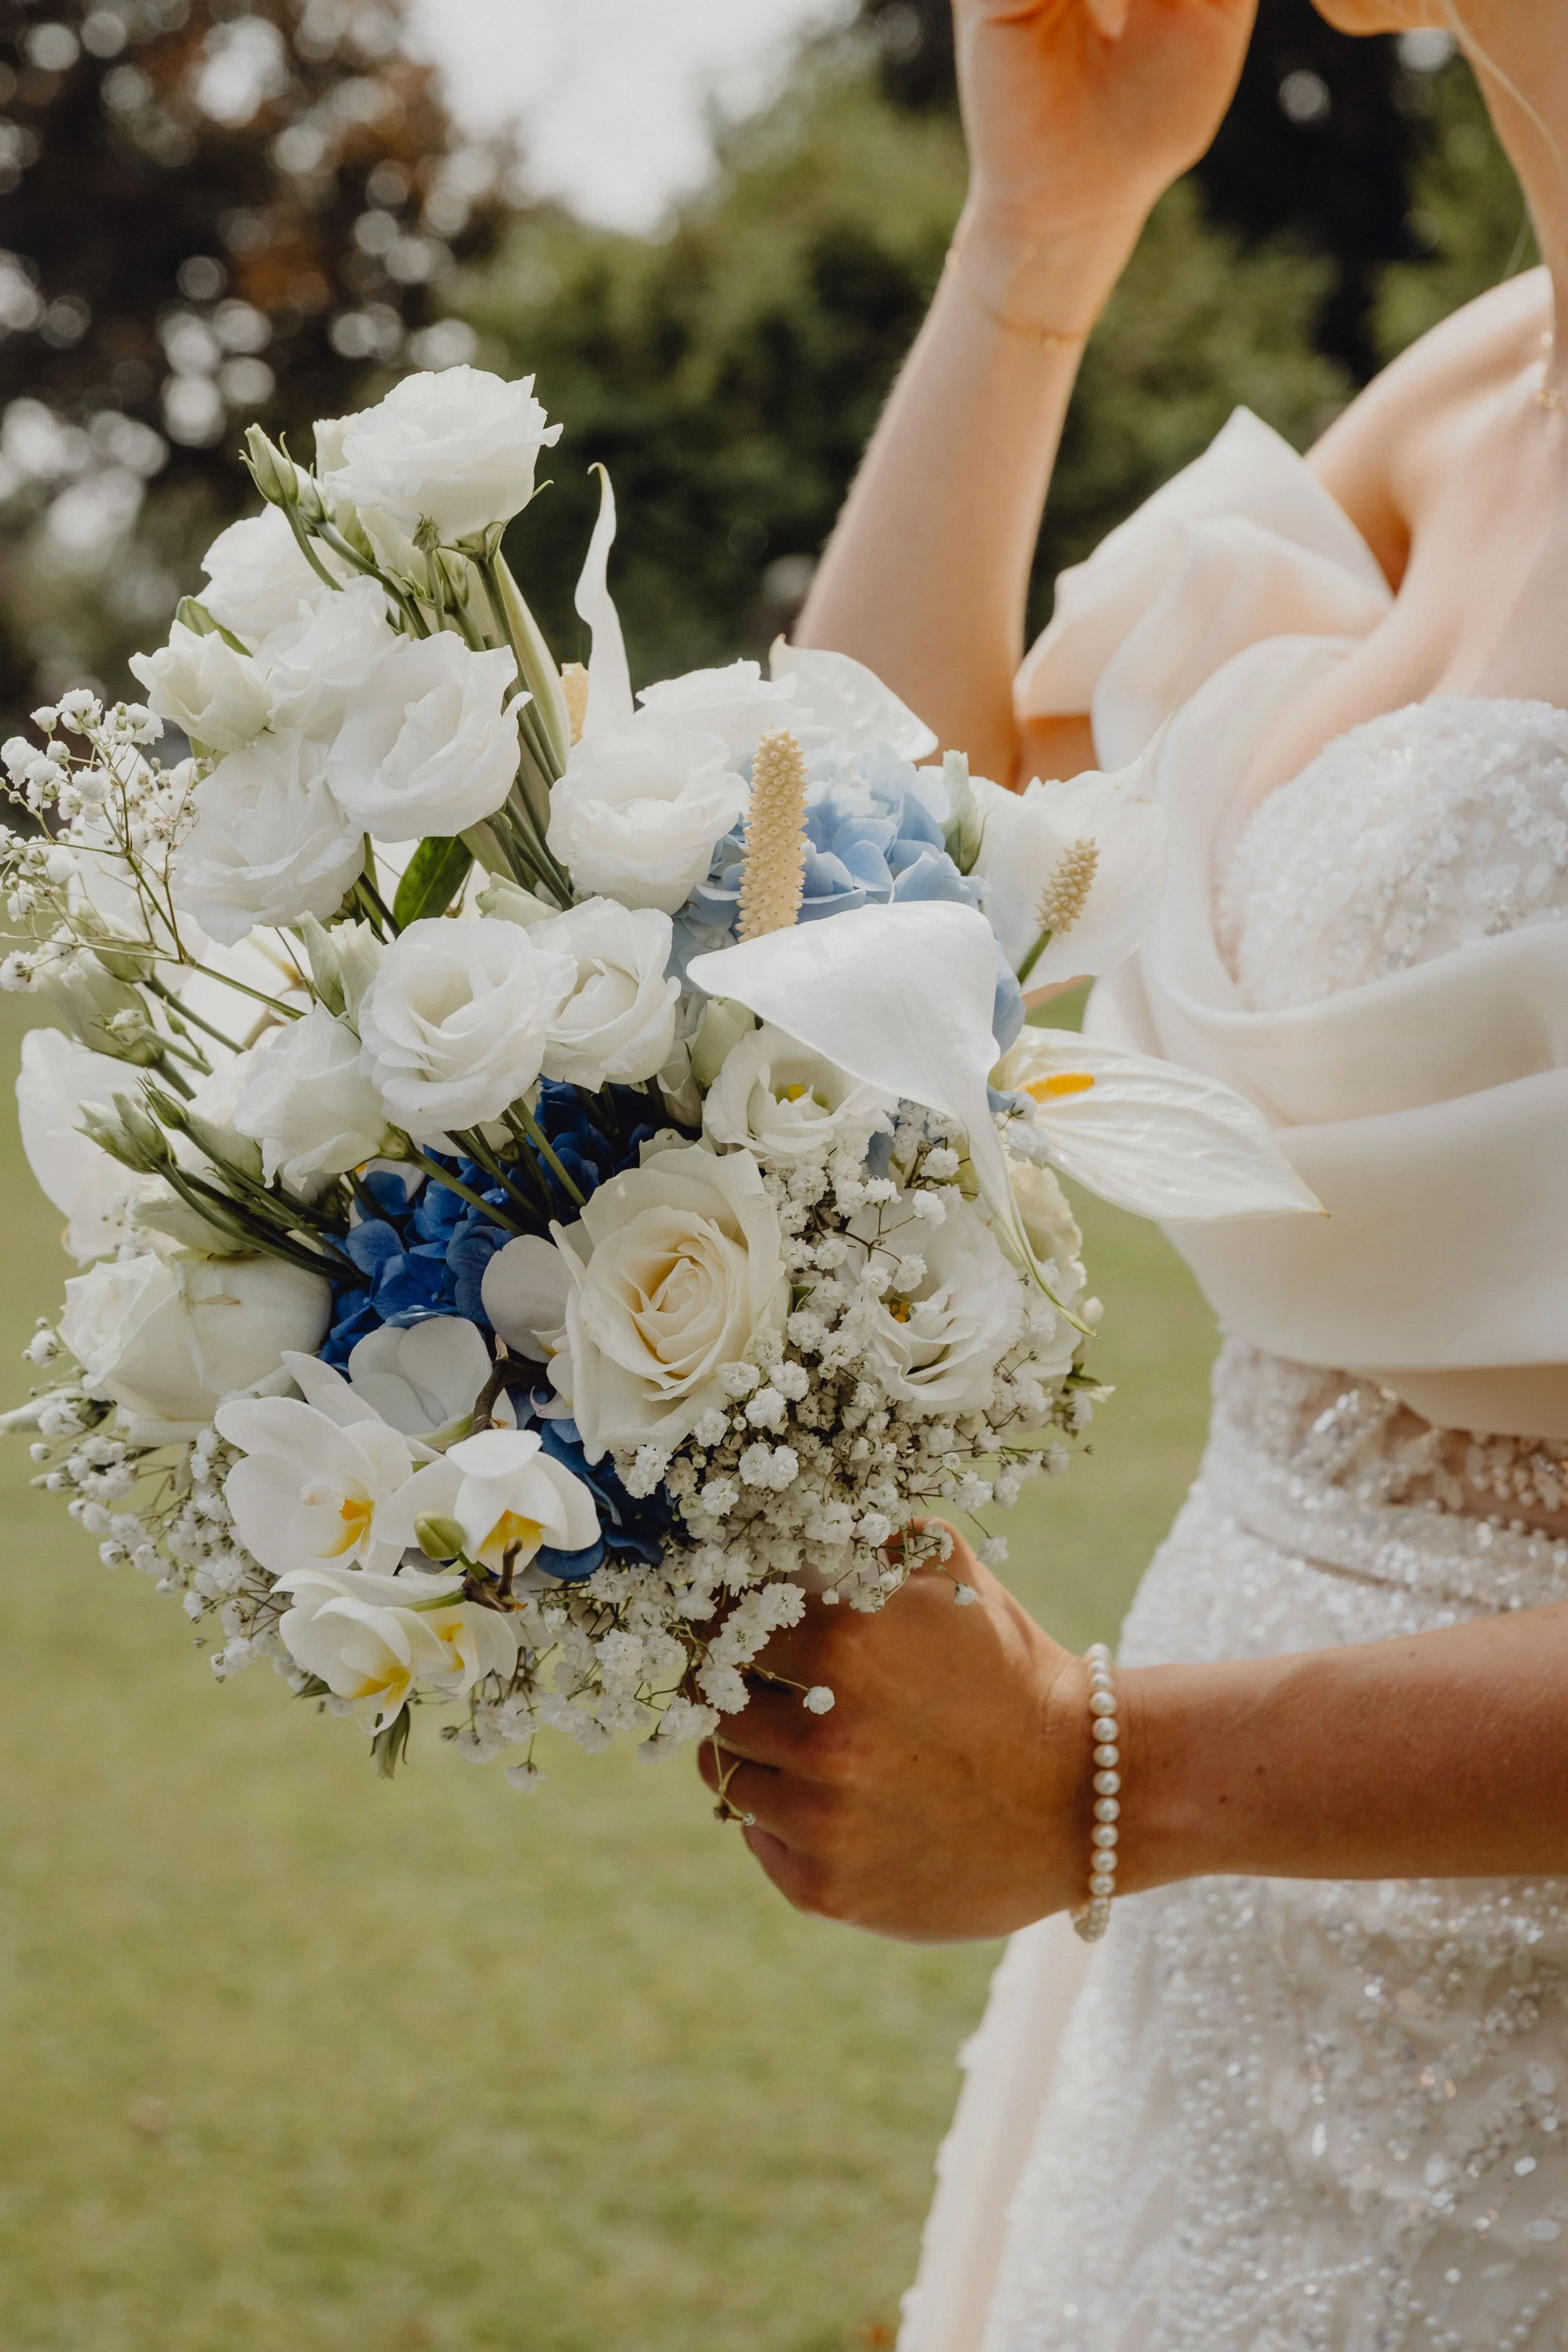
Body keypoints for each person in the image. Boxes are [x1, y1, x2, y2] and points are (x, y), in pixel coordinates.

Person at [694, 0, 1568, 2341]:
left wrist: (1111, 1768)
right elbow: (842, 883)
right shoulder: (1477, 390)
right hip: (1210, 2017)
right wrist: (1035, 244)